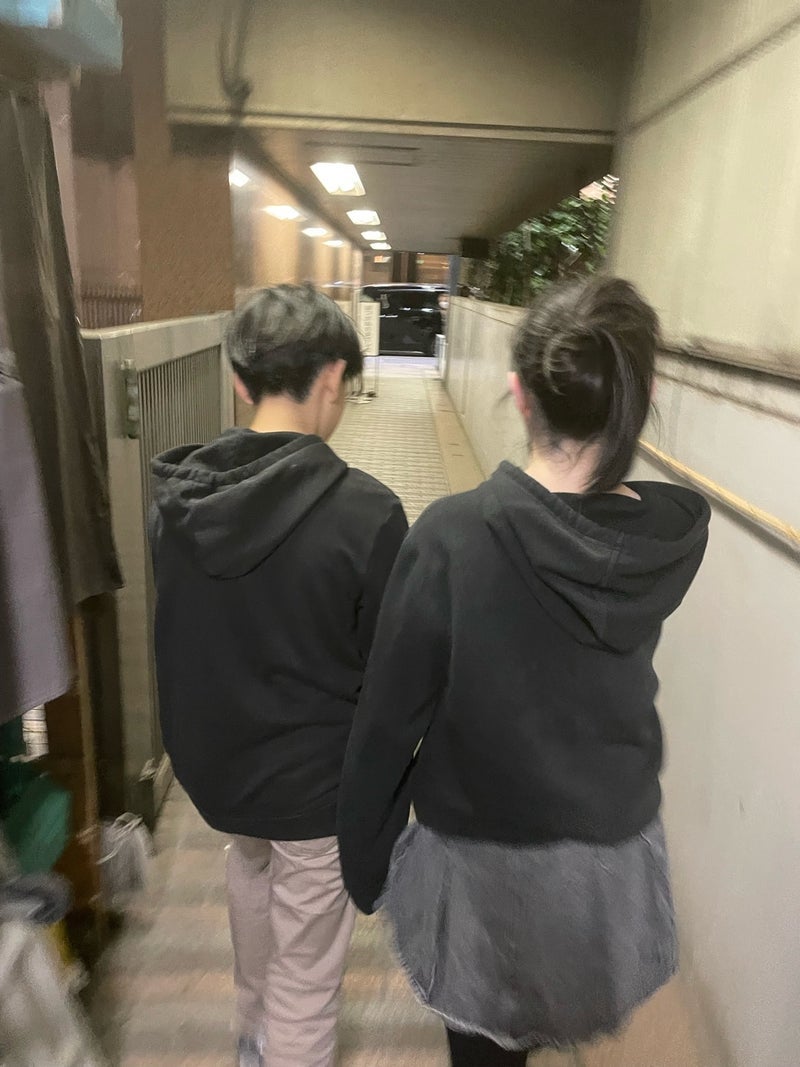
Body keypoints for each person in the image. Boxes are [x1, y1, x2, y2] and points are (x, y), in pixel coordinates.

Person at [338, 276, 710, 1065]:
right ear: (638, 401)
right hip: (607, 870)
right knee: (547, 1025)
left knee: (484, 1047)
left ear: (519, 393)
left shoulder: (452, 537)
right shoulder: (663, 538)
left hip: (483, 864)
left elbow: (387, 722)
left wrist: (366, 864)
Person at [149, 284, 408, 1067]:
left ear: (239, 380)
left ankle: (251, 1032)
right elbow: (388, 670)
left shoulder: (177, 503)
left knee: (250, 865)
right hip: (313, 786)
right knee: (309, 966)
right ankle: (282, 1043)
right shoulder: (367, 513)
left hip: (219, 768)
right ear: (331, 378)